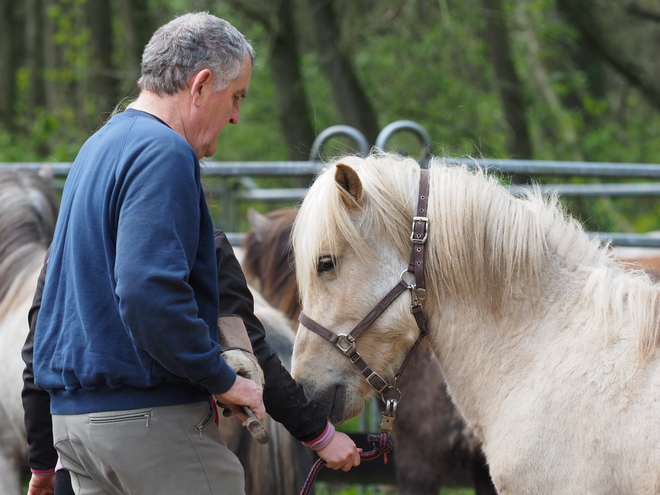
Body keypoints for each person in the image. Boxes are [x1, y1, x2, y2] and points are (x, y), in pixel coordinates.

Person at [28, 12, 359, 495]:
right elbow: (146, 293)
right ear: (202, 85)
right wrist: (221, 378)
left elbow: (46, 310)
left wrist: (42, 448)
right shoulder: (165, 153)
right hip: (149, 426)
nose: (236, 116)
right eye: (237, 96)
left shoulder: (95, 150)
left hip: (76, 429)